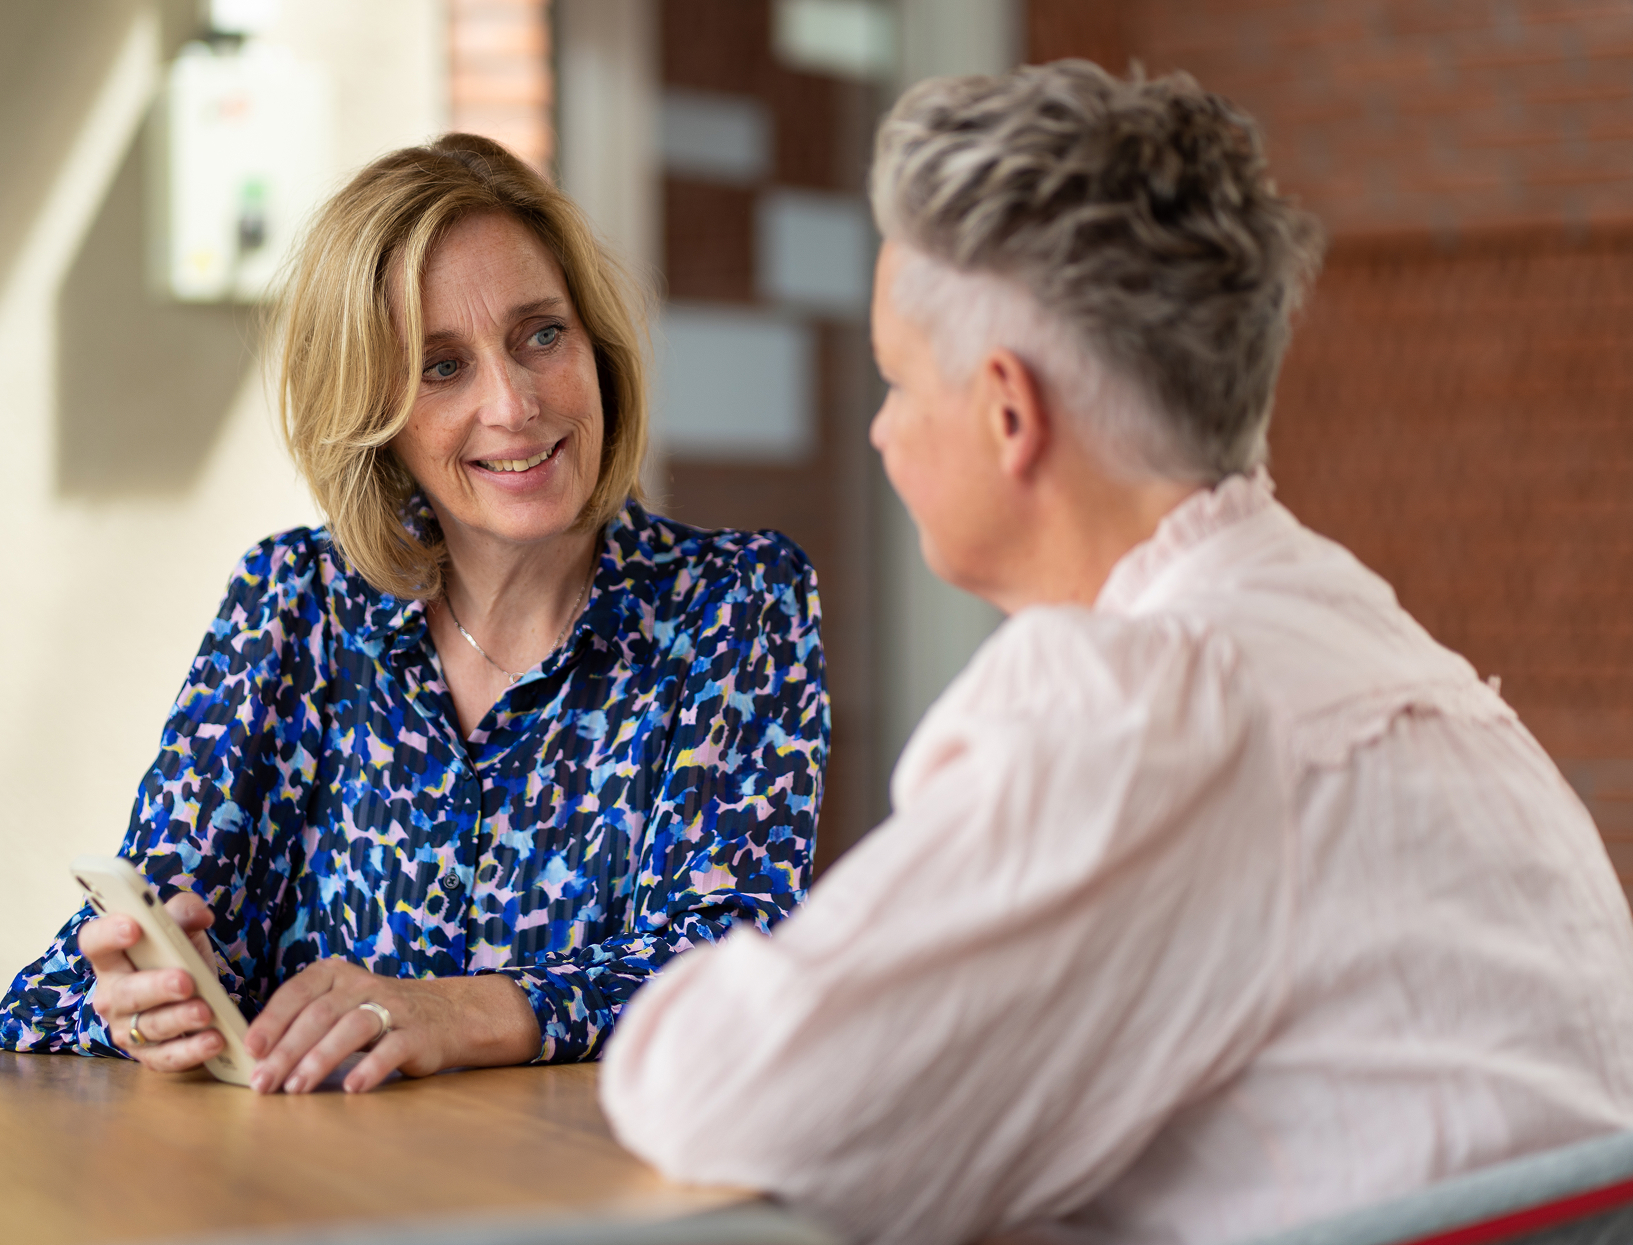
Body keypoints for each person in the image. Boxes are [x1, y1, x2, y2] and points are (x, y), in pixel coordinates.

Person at [597, 60, 1633, 1245]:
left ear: (1008, 412)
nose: (880, 429)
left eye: (897, 379)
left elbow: (730, 1093)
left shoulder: (1151, 707)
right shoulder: (1390, 662)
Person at [0, 134, 829, 1095]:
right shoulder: (295, 602)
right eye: (441, 367)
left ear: (596, 347)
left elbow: (728, 974)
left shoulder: (736, 602)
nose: (512, 404)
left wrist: (463, 1008)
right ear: (374, 414)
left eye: (541, 335)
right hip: (314, 1178)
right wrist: (140, 1002)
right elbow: (56, 995)